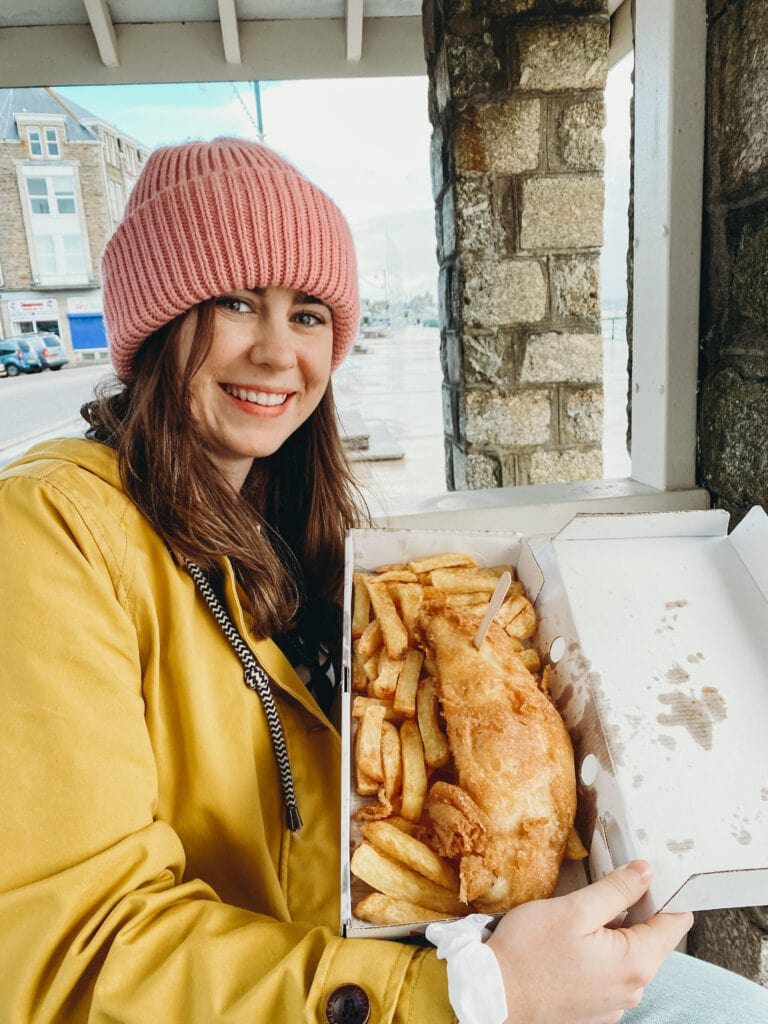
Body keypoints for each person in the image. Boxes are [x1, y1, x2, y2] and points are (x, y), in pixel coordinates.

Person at [0, 136, 765, 1024]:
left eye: (310, 313)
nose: (279, 354)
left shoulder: (286, 521)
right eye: (236, 302)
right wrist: (469, 997)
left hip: (380, 955)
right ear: (155, 323)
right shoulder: (46, 535)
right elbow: (72, 960)